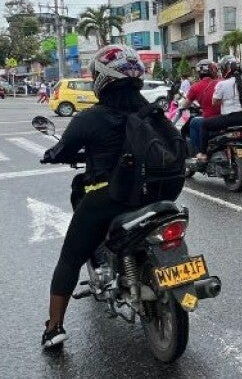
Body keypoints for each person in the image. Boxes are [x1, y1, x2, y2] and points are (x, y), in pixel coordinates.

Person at [39, 45, 181, 349]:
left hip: (113, 198)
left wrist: (51, 155)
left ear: (101, 79)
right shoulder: (154, 113)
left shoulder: (91, 118)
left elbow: (62, 150)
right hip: (159, 193)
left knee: (70, 256)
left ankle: (54, 329)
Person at [197, 56, 242, 162]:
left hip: (230, 119)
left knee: (204, 124)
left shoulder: (222, 84)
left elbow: (215, 103)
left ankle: (203, 153)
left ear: (224, 69)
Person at [183, 59, 220, 157]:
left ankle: (200, 151)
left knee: (194, 122)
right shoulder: (221, 83)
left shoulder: (195, 87)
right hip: (226, 119)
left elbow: (185, 105)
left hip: (210, 120)